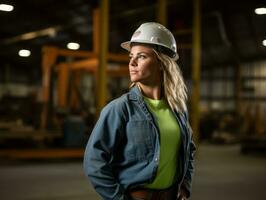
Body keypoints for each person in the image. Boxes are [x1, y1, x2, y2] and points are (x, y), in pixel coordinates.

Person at [83, 22, 196, 200]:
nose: (132, 62)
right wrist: (119, 198)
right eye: (131, 56)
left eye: (141, 56)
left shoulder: (178, 108)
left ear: (161, 63)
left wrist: (185, 186)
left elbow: (188, 150)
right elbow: (94, 161)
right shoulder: (120, 109)